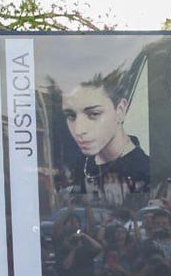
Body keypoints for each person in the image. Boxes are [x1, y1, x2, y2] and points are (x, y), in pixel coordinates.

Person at [63, 68, 149, 196]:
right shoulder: (78, 168)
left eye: (93, 114)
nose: (78, 130)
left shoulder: (147, 172)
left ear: (120, 110)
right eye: (71, 116)